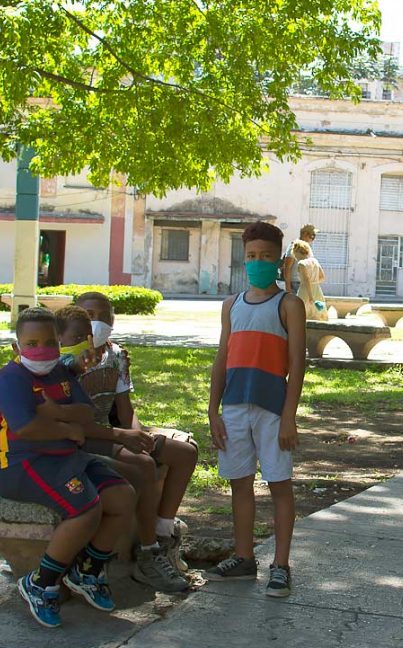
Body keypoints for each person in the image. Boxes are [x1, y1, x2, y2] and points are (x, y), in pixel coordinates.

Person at [0, 307, 138, 628]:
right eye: (31, 344)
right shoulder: (11, 379)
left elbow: (86, 412)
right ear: (16, 347)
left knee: (123, 496)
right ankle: (42, 583)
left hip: (66, 458)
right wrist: (67, 428)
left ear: (58, 343)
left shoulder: (60, 372)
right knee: (86, 509)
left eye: (48, 342)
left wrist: (57, 413)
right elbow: (26, 428)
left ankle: (88, 570)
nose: (40, 350)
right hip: (21, 464)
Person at [205, 221, 306, 598]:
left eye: (265, 257)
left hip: (272, 410)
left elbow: (298, 362)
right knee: (240, 484)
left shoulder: (289, 305)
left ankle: (280, 565)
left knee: (279, 484)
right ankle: (244, 558)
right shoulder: (231, 305)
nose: (257, 262)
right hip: (233, 408)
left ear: (278, 260)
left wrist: (289, 416)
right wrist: (213, 410)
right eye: (251, 257)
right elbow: (222, 358)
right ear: (243, 259)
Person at [73, 293, 200, 592]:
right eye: (86, 314)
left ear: (113, 321)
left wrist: (138, 434)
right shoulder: (67, 361)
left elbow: (125, 408)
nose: (94, 322)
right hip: (86, 440)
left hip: (114, 432)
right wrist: (124, 438)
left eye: (101, 315)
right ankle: (147, 551)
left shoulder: (116, 356)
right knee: (143, 465)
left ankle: (163, 530)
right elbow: (75, 424)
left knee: (184, 452)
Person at [292, 240, 328, 321]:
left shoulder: (301, 263)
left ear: (297, 252)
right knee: (318, 314)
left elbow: (306, 280)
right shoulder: (315, 261)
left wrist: (310, 297)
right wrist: (314, 283)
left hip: (305, 290)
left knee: (302, 315)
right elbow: (322, 277)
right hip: (317, 289)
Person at [281, 224, 317, 294]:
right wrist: (288, 289)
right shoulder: (294, 246)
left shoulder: (307, 247)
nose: (313, 239)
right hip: (295, 284)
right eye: (312, 235)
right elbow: (287, 267)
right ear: (305, 234)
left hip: (304, 284)